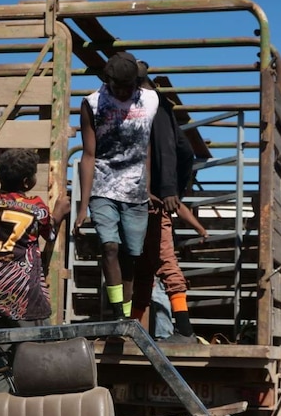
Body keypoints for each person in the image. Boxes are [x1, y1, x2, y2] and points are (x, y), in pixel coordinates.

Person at [0, 148, 71, 391]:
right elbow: (51, 231)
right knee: (38, 359)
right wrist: (59, 212)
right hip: (27, 301)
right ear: (28, 181)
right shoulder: (36, 208)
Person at [74, 51, 159, 319]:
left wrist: (148, 187)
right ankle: (117, 314)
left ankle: (126, 313)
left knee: (130, 256)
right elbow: (88, 155)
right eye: (117, 86)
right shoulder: (93, 104)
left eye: (128, 86)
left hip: (135, 191)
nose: (122, 92)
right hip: (103, 184)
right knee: (109, 246)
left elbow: (146, 147)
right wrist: (83, 206)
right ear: (107, 81)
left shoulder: (150, 99)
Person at [131, 60, 208, 343]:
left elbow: (176, 148)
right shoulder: (155, 105)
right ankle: (134, 330)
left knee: (162, 261)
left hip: (148, 201)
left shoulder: (152, 105)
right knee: (146, 267)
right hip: (146, 199)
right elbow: (184, 150)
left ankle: (185, 330)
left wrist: (168, 188)